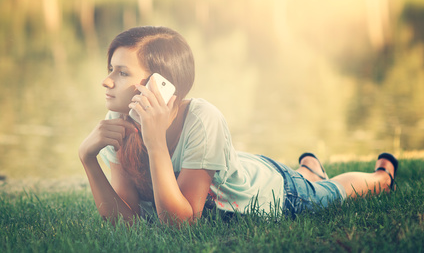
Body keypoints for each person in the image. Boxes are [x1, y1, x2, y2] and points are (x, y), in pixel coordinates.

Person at [78, 26, 399, 226]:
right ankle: (309, 169)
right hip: (235, 166)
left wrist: (156, 142)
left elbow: (181, 224)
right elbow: (126, 221)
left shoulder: (203, 119)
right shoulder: (117, 125)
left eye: (122, 73)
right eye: (111, 69)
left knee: (331, 193)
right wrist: (89, 161)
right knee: (316, 183)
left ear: (160, 85)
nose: (106, 81)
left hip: (274, 193)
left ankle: (381, 177)